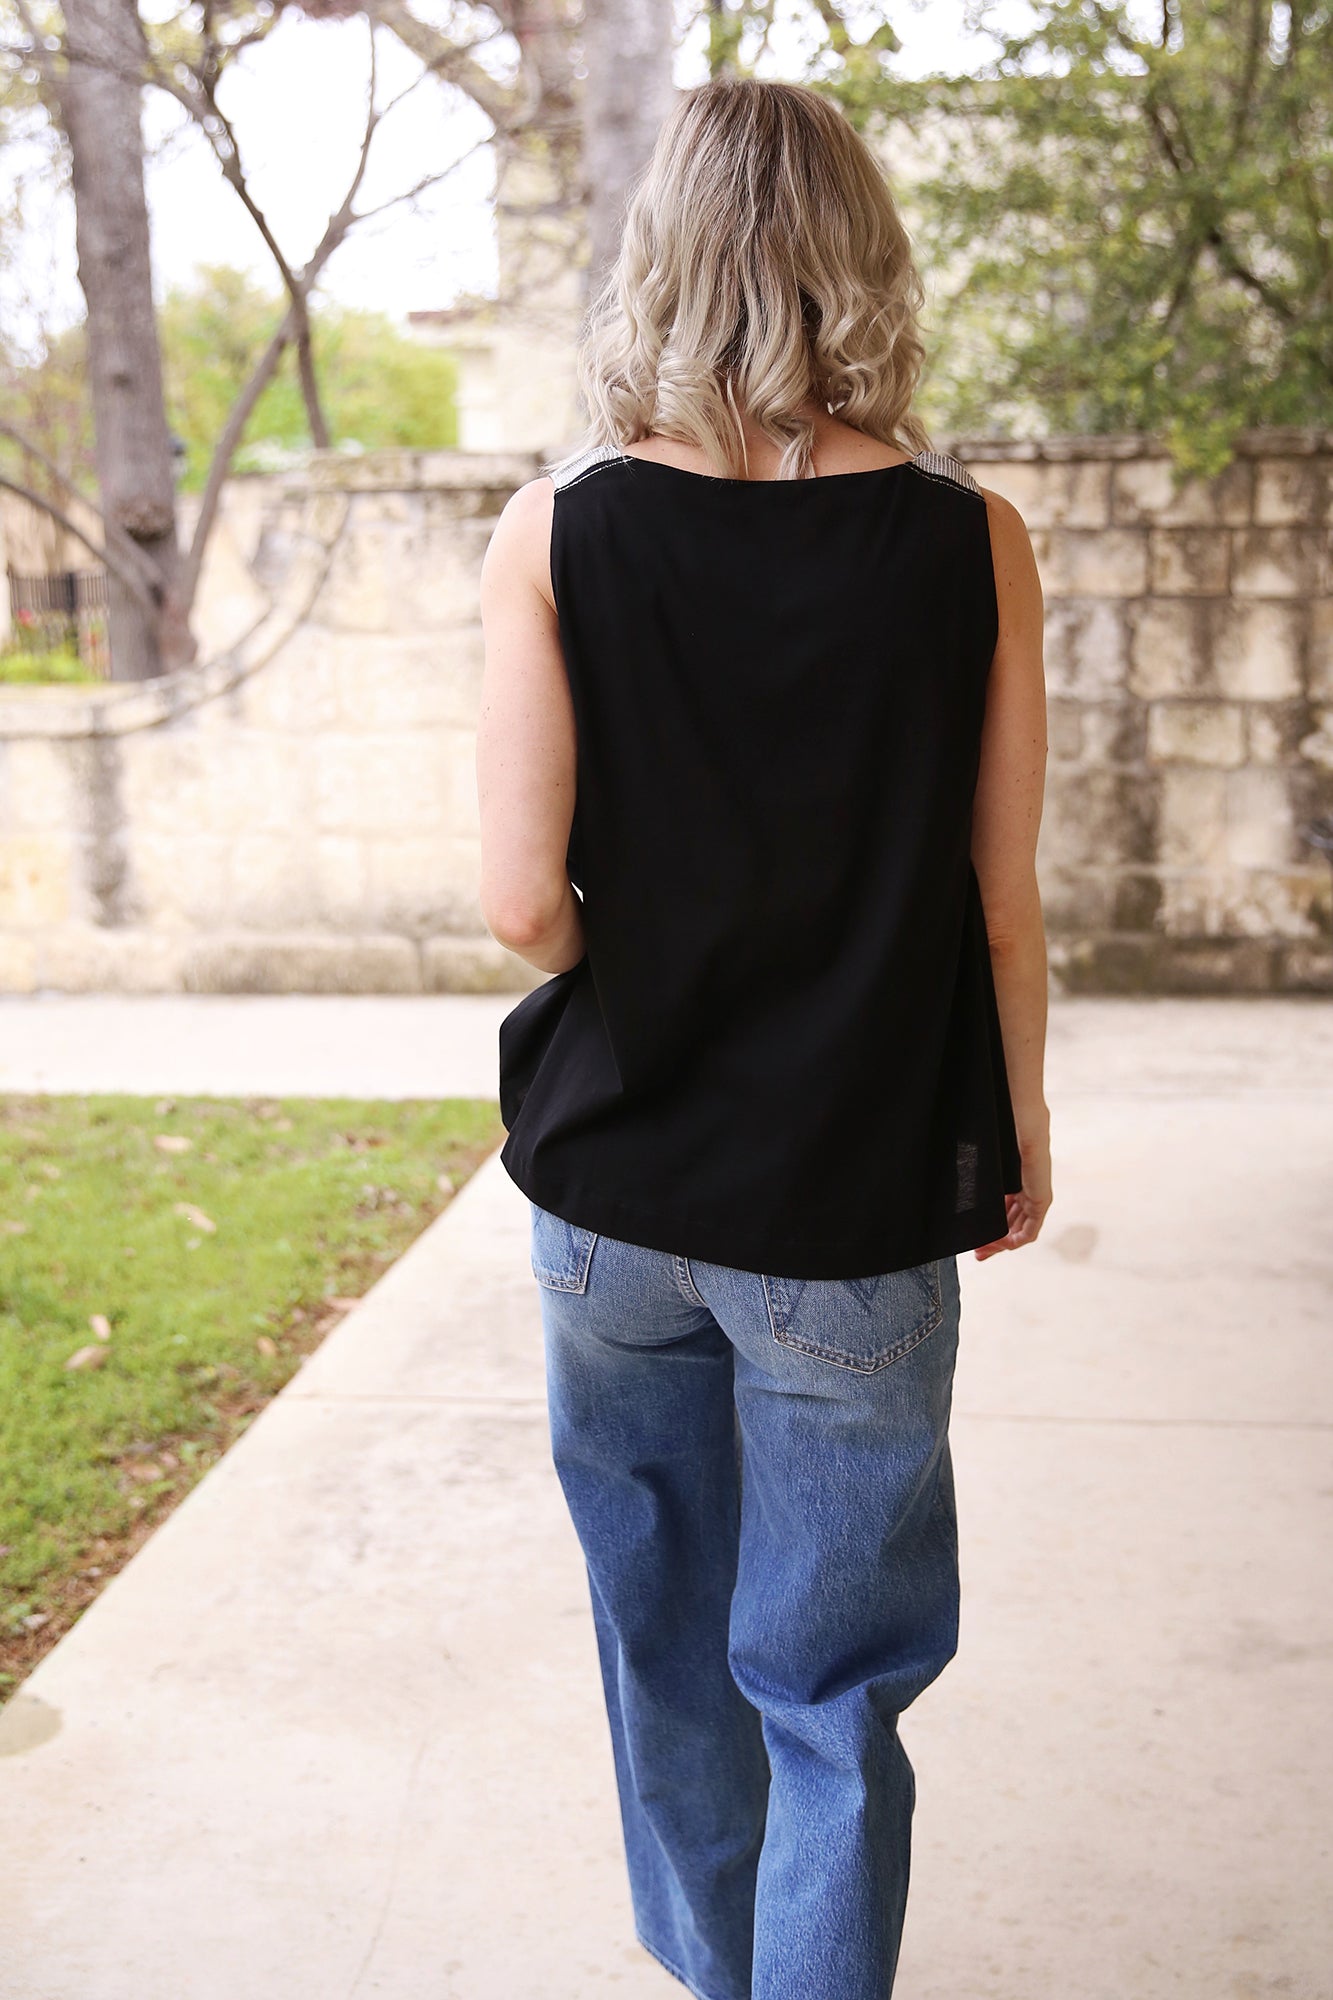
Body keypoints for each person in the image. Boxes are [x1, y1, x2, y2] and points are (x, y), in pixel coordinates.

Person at [475, 73, 1051, 2000]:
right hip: (857, 1208)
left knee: (661, 1647)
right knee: (829, 1695)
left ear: (664, 259)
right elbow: (995, 902)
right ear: (861, 261)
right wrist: (1021, 1124)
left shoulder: (554, 531)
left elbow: (520, 907)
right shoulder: (974, 540)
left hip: (616, 1198)